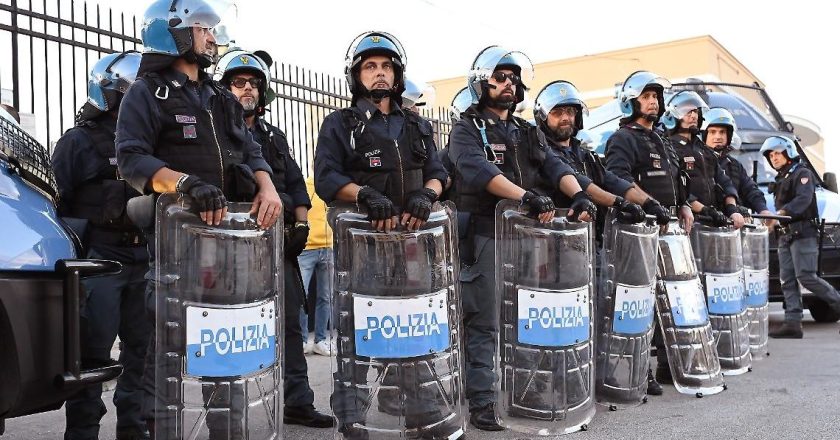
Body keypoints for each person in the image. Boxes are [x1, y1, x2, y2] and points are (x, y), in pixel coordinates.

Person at [116, 1, 282, 436]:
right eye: (203, 29)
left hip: (230, 247)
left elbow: (251, 151)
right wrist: (184, 183)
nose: (212, 37)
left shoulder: (219, 98)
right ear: (173, 34)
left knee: (227, 354)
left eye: (211, 30)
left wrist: (267, 187)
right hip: (177, 250)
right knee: (166, 356)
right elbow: (131, 158)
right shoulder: (147, 92)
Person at [448, 46, 594, 431]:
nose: (508, 84)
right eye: (499, 77)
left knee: (527, 318)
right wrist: (522, 195)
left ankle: (526, 392)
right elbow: (476, 169)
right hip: (484, 235)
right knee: (486, 321)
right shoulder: (466, 128)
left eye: (513, 78)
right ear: (482, 82)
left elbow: (555, 164)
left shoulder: (527, 132)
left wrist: (577, 192)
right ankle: (481, 401)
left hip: (527, 237)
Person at [313, 31, 448, 439]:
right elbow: (326, 177)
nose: (378, 74)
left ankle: (420, 411)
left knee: (414, 327)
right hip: (363, 247)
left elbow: (442, 173)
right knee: (358, 332)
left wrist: (428, 194)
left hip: (413, 247)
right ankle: (352, 417)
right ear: (356, 75)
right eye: (370, 67)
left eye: (385, 66)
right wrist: (364, 193)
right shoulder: (340, 124)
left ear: (397, 73)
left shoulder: (417, 125)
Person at [215, 48, 333, 428]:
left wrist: (301, 224)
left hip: (276, 247)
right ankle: (226, 413)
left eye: (253, 83)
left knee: (289, 324)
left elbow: (297, 186)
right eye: (238, 82)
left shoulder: (274, 137)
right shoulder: (214, 132)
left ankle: (297, 401)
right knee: (228, 327)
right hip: (228, 247)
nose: (247, 89)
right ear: (224, 88)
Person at [52, 50, 151, 440]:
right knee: (91, 354)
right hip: (101, 261)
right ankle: (82, 432)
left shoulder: (146, 144)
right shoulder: (78, 141)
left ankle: (133, 427)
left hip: (143, 255)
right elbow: (57, 202)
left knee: (140, 351)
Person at [604, 70, 695, 396]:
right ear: (631, 101)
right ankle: (638, 371)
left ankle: (668, 366)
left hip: (670, 230)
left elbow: (680, 182)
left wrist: (683, 205)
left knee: (669, 299)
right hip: (639, 230)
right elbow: (615, 178)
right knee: (639, 302)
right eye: (646, 96)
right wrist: (647, 205)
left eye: (656, 96)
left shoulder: (663, 141)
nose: (653, 102)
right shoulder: (623, 138)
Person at [533, 80, 647, 225]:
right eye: (557, 113)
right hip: (558, 236)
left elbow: (614, 182)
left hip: (593, 239)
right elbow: (582, 182)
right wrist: (620, 203)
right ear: (543, 118)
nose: (565, 118)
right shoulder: (542, 153)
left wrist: (649, 203)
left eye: (570, 112)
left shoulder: (585, 155)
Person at [760, 135, 840, 338]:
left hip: (803, 233)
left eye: (777, 153)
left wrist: (781, 214)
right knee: (787, 279)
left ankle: (837, 302)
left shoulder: (802, 174)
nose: (774, 158)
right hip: (785, 236)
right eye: (771, 155)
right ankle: (793, 323)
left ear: (788, 152)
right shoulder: (782, 177)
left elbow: (803, 200)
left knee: (806, 276)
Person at [663, 91, 745, 229]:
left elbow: (724, 181)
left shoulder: (704, 149)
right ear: (673, 115)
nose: (693, 115)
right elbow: (674, 187)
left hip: (711, 223)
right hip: (686, 223)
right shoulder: (667, 147)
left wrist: (732, 209)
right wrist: (703, 209)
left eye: (695, 111)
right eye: (687, 111)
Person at [702, 107, 772, 218]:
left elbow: (750, 189)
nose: (718, 136)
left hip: (732, 227)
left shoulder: (734, 165)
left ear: (729, 135)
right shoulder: (696, 160)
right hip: (702, 223)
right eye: (712, 132)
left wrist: (763, 210)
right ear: (704, 134)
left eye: (722, 132)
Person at [297, 176, 334, 356]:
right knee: (302, 296)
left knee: (326, 297)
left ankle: (320, 340)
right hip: (307, 248)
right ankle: (303, 340)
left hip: (328, 247)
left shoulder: (331, 188)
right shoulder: (305, 185)